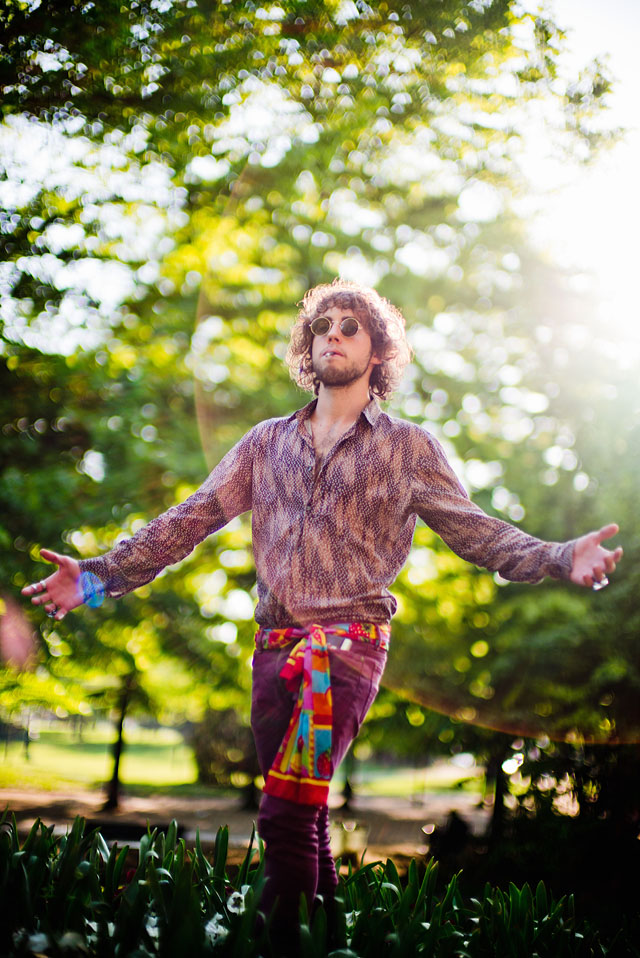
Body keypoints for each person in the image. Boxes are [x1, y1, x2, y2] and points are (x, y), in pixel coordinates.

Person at [22, 280, 622, 949]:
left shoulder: (407, 449)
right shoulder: (264, 443)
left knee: (281, 813)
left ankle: (279, 946)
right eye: (323, 326)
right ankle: (329, 941)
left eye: (351, 327)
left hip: (344, 650)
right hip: (274, 648)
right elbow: (186, 522)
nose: (333, 335)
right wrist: (100, 577)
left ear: (377, 349)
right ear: (309, 346)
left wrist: (559, 554)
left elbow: (478, 534)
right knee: (304, 818)